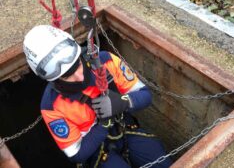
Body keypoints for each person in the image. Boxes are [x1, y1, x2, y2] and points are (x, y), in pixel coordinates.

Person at [23, 25, 172, 168]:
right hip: (95, 149)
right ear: (54, 79)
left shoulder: (105, 61)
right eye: (68, 75)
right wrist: (103, 124)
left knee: (159, 159)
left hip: (123, 128)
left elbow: (145, 95)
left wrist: (123, 102)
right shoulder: (51, 106)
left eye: (77, 65)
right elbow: (77, 154)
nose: (79, 76)